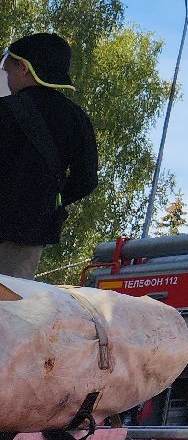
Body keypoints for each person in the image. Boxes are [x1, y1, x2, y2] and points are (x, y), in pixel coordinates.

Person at [0, 33, 97, 280]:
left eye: (9, 71)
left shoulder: (4, 110)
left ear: (24, 67)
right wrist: (50, 200)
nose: (7, 79)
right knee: (12, 301)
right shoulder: (77, 119)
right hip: (28, 236)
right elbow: (86, 180)